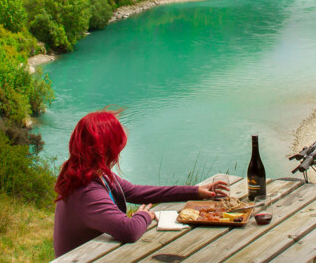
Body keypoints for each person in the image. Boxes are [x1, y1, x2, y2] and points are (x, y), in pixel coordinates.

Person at [53, 109, 228, 257]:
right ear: (106, 149)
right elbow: (129, 230)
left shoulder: (92, 174)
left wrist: (195, 191)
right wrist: (145, 215)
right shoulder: (86, 190)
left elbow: (138, 192)